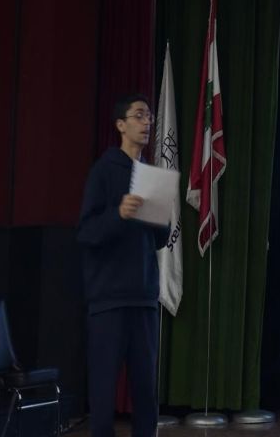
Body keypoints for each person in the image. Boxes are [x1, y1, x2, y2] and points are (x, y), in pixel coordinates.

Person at [78, 94, 168, 437]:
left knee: (146, 392)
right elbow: (87, 232)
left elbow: (158, 240)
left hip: (144, 299)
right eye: (139, 116)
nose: (147, 123)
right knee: (103, 393)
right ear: (121, 125)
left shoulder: (151, 175)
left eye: (149, 117)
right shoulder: (103, 171)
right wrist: (118, 213)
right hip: (109, 301)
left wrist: (162, 216)